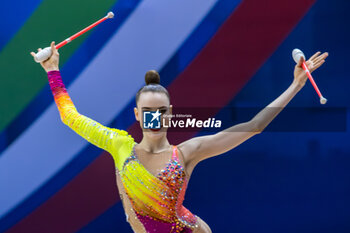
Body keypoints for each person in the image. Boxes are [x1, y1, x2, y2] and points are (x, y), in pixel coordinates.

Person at [31, 41, 328, 233]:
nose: (154, 117)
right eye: (147, 111)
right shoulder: (118, 144)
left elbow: (253, 126)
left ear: (170, 113)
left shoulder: (186, 152)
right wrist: (53, 70)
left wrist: (295, 86)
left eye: (160, 111)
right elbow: (70, 117)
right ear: (137, 114)